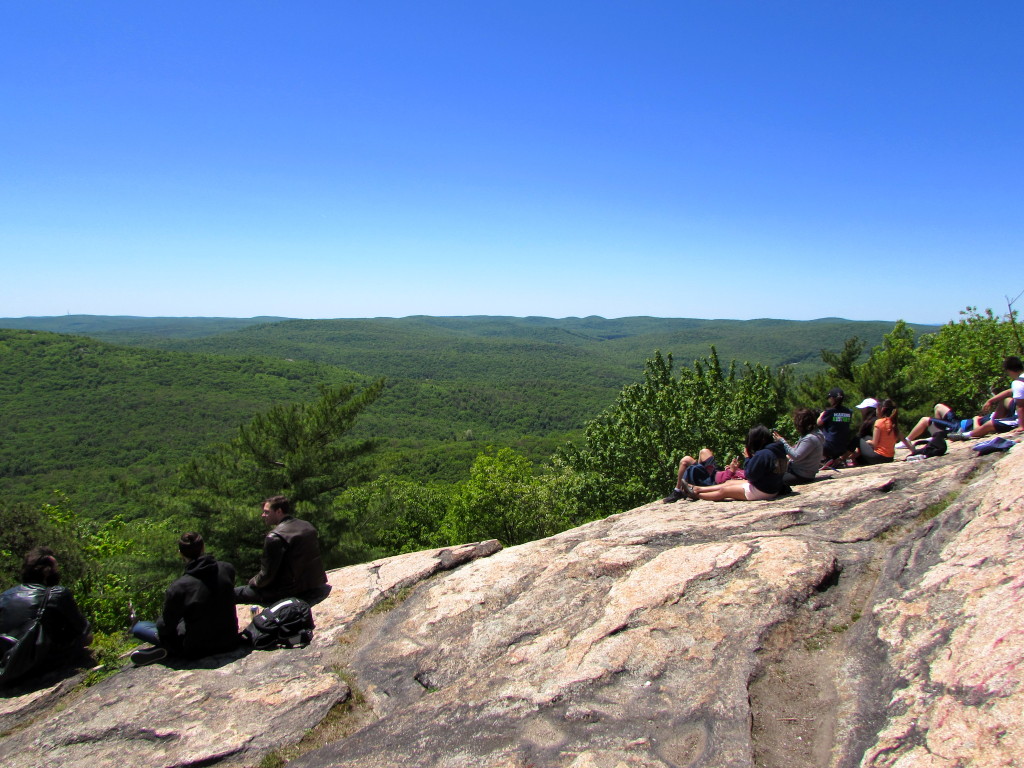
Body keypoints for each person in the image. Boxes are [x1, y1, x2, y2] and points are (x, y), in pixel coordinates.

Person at [130, 532, 240, 666]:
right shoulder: (227, 569)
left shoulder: (179, 587)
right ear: (203, 547)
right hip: (230, 641)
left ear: (180, 553)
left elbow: (165, 626)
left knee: (140, 627)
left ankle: (167, 650)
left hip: (196, 650)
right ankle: (165, 650)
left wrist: (165, 632)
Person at [0, 547, 91, 684]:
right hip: (38, 665)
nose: (58, 572)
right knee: (86, 639)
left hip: (6, 666)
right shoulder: (57, 593)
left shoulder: (5, 596)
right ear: (46, 572)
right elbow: (83, 631)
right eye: (55, 569)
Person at [234, 495, 330, 607]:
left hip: (289, 592)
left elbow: (266, 576)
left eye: (267, 512)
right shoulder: (307, 526)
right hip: (314, 585)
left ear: (279, 511)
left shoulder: (275, 537)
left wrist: (252, 582)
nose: (263, 515)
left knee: (233, 593)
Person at [681, 426, 788, 502]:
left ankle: (697, 495)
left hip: (763, 490)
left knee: (724, 491)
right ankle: (697, 489)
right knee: (729, 483)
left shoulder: (764, 454)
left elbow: (750, 475)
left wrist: (748, 459)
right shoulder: (778, 450)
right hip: (772, 487)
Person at [949, 356, 1024, 440]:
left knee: (990, 424)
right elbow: (1009, 392)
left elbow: (1020, 405)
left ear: (1009, 370)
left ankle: (966, 435)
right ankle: (997, 423)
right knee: (1005, 400)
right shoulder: (1021, 379)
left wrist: (1021, 426)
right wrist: (990, 400)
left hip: (1021, 417)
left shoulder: (1017, 383)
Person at [773, 407, 824, 485]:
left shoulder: (810, 438)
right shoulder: (816, 433)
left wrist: (782, 441)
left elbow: (796, 456)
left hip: (801, 475)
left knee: (771, 481)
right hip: (801, 472)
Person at [859, 399, 914, 464]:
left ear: (881, 409)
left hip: (878, 457)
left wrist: (867, 442)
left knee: (858, 439)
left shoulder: (879, 422)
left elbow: (874, 444)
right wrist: (914, 451)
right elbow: (904, 439)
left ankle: (851, 459)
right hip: (889, 458)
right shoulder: (893, 423)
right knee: (867, 437)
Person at [817, 388, 853, 468]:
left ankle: (824, 459)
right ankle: (835, 460)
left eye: (829, 398)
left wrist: (822, 414)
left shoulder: (829, 412)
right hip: (843, 446)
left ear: (832, 399)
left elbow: (818, 423)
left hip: (828, 446)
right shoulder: (849, 412)